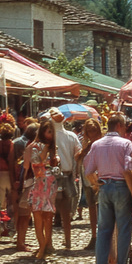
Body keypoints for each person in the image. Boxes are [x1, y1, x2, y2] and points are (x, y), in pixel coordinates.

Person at [84, 114, 132, 264]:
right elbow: (127, 171)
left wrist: (96, 184)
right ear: (120, 126)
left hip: (104, 187)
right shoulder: (125, 143)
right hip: (121, 186)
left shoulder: (97, 144)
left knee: (103, 230)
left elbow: (88, 171)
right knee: (123, 229)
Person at [23, 120, 59, 260]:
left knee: (48, 216)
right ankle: (42, 245)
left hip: (49, 183)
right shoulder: (35, 146)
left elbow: (54, 163)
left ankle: (46, 245)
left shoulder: (52, 147)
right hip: (39, 183)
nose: (49, 135)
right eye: (48, 131)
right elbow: (37, 161)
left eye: (51, 132)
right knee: (37, 214)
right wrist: (46, 149)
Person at [49, 107, 82, 250]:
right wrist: (76, 172)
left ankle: (48, 243)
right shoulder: (71, 136)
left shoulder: (48, 135)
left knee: (49, 212)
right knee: (66, 213)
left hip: (51, 175)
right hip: (67, 175)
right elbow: (78, 155)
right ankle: (67, 241)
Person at [77, 119, 104, 250]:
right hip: (88, 181)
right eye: (89, 131)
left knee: (101, 210)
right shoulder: (87, 145)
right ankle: (94, 236)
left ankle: (102, 237)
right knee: (92, 210)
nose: (92, 133)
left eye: (93, 130)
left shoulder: (101, 144)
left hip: (99, 181)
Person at [12, 123, 38, 251]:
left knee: (24, 215)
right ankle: (20, 242)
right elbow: (25, 169)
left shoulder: (20, 143)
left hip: (24, 183)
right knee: (24, 215)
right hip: (28, 184)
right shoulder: (31, 147)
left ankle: (21, 240)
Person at [0, 122, 16, 227]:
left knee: (0, 202)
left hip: (0, 174)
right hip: (10, 174)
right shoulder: (12, 144)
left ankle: (0, 225)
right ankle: (11, 223)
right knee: (11, 200)